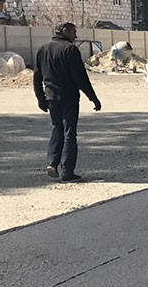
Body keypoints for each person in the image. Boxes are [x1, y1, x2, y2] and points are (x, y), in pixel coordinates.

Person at [33, 21, 101, 182]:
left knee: (57, 128)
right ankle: (67, 171)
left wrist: (40, 98)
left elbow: (36, 76)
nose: (75, 36)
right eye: (73, 32)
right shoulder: (70, 49)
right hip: (68, 97)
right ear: (65, 31)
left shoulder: (43, 49)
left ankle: (52, 162)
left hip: (50, 97)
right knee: (69, 133)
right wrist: (93, 98)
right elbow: (80, 77)